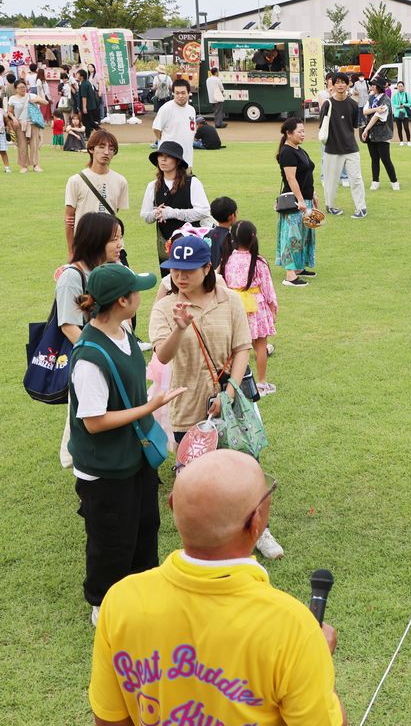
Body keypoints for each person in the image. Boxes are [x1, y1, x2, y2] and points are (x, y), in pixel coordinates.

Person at [88, 450, 347, 726]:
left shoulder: (121, 600)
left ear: (173, 505)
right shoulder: (293, 627)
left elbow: (109, 719)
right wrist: (321, 665)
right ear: (256, 521)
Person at [149, 234, 284, 558]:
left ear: (207, 267)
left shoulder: (229, 300)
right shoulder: (165, 308)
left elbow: (241, 350)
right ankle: (205, 540)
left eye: (189, 270)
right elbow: (162, 356)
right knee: (196, 479)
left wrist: (228, 392)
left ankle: (259, 531)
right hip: (187, 406)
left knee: (245, 467)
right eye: (175, 270)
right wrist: (181, 327)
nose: (180, 276)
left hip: (230, 404)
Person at [69, 263, 181, 632]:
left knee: (145, 525)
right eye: (136, 290)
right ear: (122, 300)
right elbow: (93, 421)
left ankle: (141, 593)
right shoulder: (89, 357)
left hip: (135, 456)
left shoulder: (122, 330)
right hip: (105, 469)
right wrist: (149, 408)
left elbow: (159, 358)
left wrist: (179, 329)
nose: (141, 294)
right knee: (111, 539)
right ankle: (104, 604)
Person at [56, 212, 126, 470]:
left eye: (120, 238)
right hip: (90, 359)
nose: (120, 245)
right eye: (114, 239)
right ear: (95, 240)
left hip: (112, 353)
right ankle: (78, 461)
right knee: (88, 411)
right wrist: (101, 355)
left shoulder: (112, 269)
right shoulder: (72, 277)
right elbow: (68, 326)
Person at [219, 221, 278, 396]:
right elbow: (268, 288)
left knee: (236, 348)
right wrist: (273, 307)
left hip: (235, 308)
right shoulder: (258, 261)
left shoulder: (227, 259)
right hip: (256, 307)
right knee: (260, 346)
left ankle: (234, 382)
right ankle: (261, 382)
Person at [140, 141, 211, 272]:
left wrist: (173, 213)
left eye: (168, 156)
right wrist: (157, 213)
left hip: (192, 243)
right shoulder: (153, 186)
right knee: (169, 284)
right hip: (167, 246)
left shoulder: (192, 183)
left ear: (177, 161)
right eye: (160, 155)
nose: (163, 159)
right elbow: (145, 216)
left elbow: (204, 211)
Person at [65, 130, 128, 258]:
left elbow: (114, 212)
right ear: (91, 149)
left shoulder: (120, 181)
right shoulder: (76, 180)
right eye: (101, 147)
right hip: (85, 246)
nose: (106, 152)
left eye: (111, 149)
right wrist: (71, 251)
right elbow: (69, 219)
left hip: (111, 248)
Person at [318, 73, 368, 218]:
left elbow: (353, 125)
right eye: (337, 82)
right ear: (332, 85)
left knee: (356, 179)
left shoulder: (353, 104)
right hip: (332, 149)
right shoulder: (328, 104)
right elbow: (322, 126)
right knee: (331, 181)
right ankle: (330, 205)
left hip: (351, 148)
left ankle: (361, 208)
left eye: (343, 82)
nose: (340, 85)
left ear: (348, 85)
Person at [361, 78, 398, 191]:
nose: (371, 87)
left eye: (373, 85)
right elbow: (365, 111)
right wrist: (376, 108)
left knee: (385, 159)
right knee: (374, 158)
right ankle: (375, 181)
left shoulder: (386, 100)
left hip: (383, 133)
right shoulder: (371, 98)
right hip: (372, 134)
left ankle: (394, 181)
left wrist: (366, 129)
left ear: (378, 87)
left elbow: (378, 116)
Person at [152, 79, 197, 168]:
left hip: (187, 157)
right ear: (173, 93)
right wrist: (163, 141)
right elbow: (156, 128)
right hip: (170, 158)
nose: (180, 96)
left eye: (183, 93)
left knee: (187, 180)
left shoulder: (191, 110)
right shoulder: (167, 108)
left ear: (189, 93)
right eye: (177, 93)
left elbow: (192, 129)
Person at [6, 78, 47, 172]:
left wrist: (36, 100)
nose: (22, 89)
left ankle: (36, 165)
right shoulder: (13, 98)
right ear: (16, 88)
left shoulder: (31, 95)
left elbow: (45, 102)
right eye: (20, 87)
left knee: (34, 145)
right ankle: (24, 166)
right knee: (22, 145)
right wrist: (14, 118)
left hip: (33, 123)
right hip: (20, 124)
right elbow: (9, 112)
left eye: (24, 87)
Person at [76, 68, 102, 137]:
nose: (76, 76)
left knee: (86, 121)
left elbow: (84, 97)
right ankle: (98, 130)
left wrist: (84, 107)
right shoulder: (86, 83)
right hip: (90, 106)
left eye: (78, 74)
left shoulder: (84, 84)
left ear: (81, 76)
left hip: (87, 106)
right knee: (89, 120)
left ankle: (90, 134)